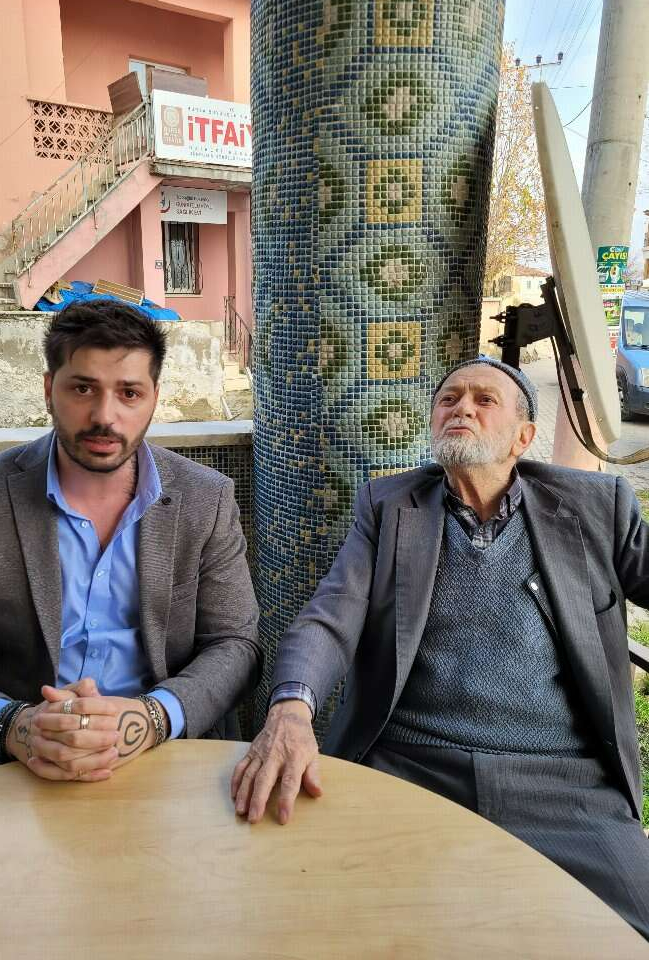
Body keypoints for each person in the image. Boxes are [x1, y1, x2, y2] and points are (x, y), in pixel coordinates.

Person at [232, 355, 649, 939]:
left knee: (631, 926)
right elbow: (330, 617)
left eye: (484, 400)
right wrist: (291, 708)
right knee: (328, 922)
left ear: (523, 437)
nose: (461, 409)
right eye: (448, 399)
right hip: (410, 769)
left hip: (562, 784)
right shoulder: (388, 507)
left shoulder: (596, 506)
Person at [0, 299, 261, 786]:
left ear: (154, 398)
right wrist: (18, 728)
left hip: (169, 761)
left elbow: (236, 645)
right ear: (48, 390)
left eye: (129, 393)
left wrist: (152, 718)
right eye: (82, 388)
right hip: (15, 770)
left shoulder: (206, 498)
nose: (104, 416)